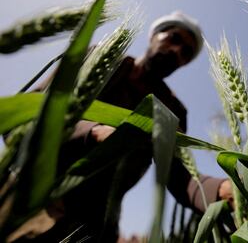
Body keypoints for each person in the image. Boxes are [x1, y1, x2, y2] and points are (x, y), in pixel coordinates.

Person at [7, 12, 233, 243]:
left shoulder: (172, 111)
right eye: (173, 38)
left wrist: (222, 190)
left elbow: (181, 179)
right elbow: (27, 115)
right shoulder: (99, 58)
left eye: (186, 52)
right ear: (154, 35)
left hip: (91, 227)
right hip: (26, 198)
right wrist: (93, 132)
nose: (177, 51)